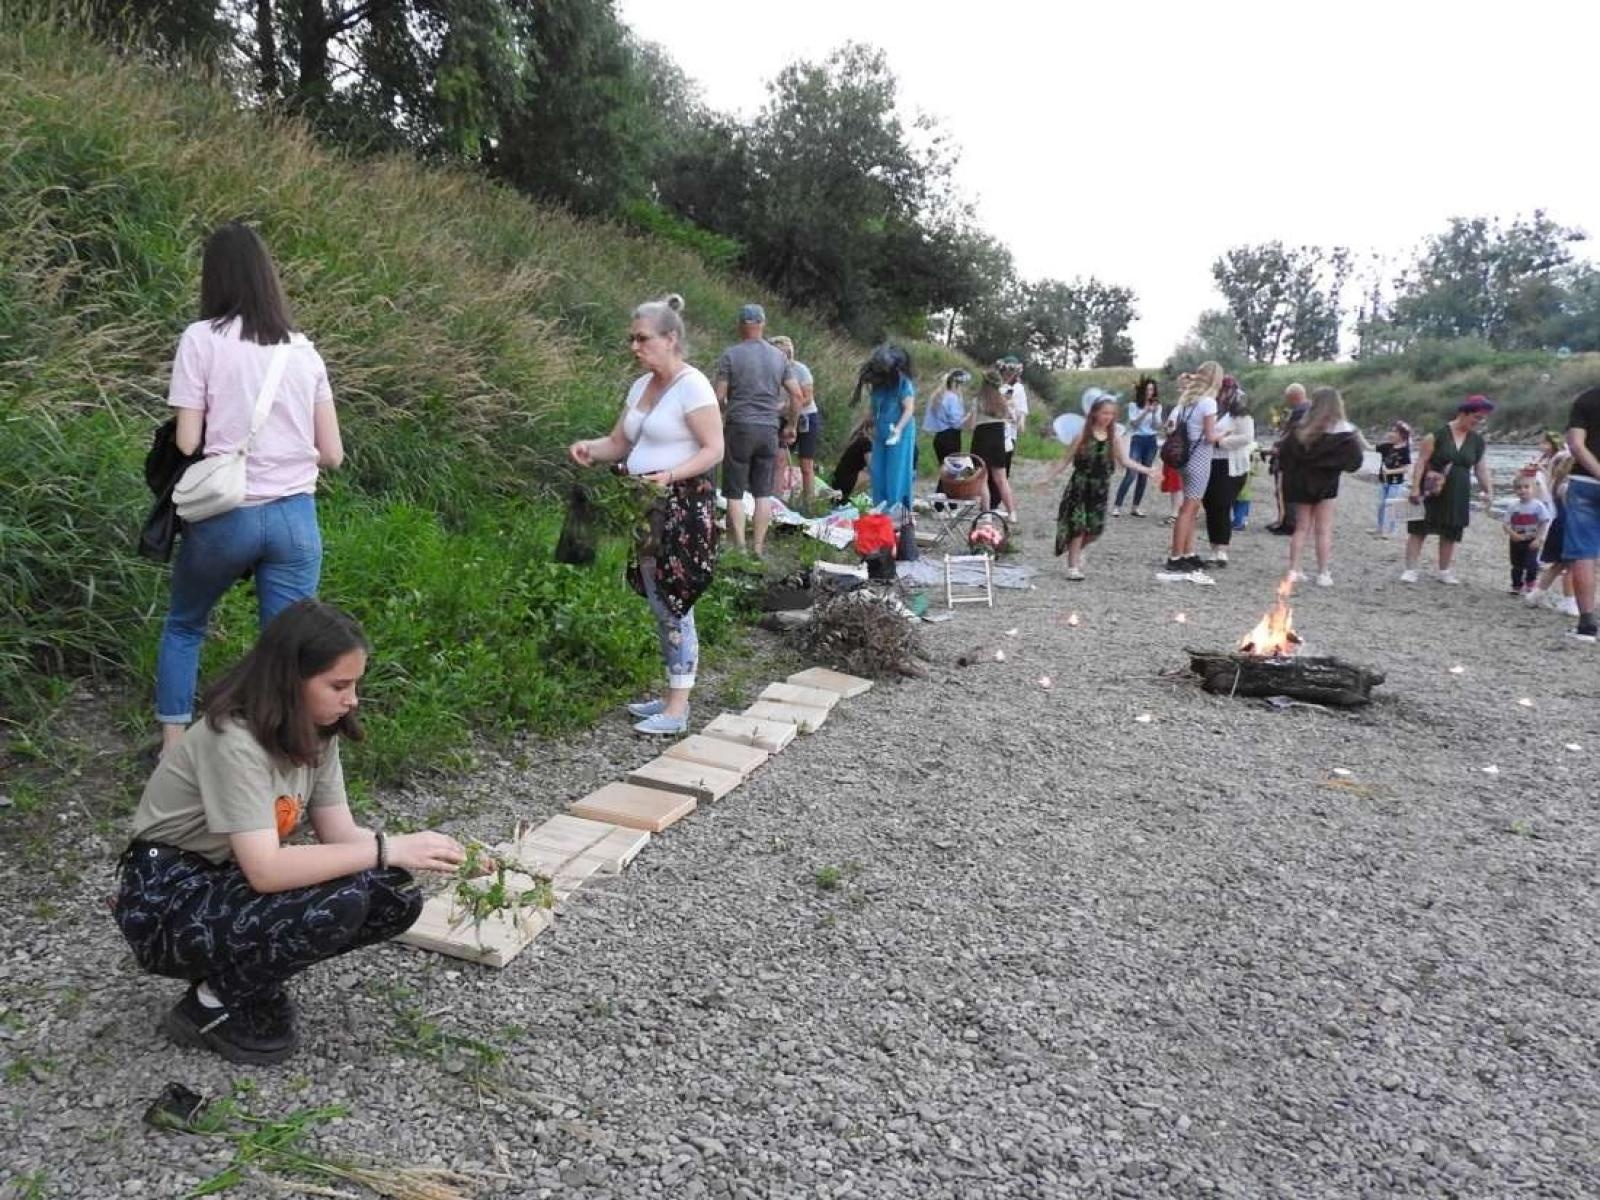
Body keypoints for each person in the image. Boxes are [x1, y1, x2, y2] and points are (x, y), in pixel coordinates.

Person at [115, 600, 466, 1065]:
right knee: (344, 897)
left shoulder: (317, 734)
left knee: (392, 895)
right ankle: (209, 1006)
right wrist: (389, 847)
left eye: (355, 684)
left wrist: (432, 854)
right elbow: (265, 871)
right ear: (289, 679)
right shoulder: (233, 740)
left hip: (222, 883)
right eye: (339, 685)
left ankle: (247, 981)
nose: (353, 699)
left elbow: (341, 834)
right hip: (165, 900)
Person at [155, 221, 345, 756]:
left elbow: (189, 441)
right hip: (294, 519)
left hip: (226, 514)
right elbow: (332, 453)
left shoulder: (201, 339)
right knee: (287, 647)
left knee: (186, 624)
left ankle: (174, 745)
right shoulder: (304, 352)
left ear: (213, 279)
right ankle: (281, 751)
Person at [569, 294, 724, 733]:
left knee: (676, 599)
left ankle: (678, 708)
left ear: (670, 339)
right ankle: (670, 692)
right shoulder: (641, 387)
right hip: (645, 507)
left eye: (642, 339)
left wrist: (670, 474)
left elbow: (715, 449)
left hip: (683, 506)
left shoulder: (693, 386)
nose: (634, 347)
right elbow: (621, 442)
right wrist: (590, 448)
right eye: (631, 339)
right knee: (659, 599)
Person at [712, 304, 804, 557]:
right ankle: (759, 548)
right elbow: (797, 394)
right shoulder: (779, 357)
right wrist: (791, 425)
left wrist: (721, 415)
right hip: (768, 429)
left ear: (741, 325)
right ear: (762, 324)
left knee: (734, 491)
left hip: (739, 427)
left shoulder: (731, 355)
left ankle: (739, 548)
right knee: (763, 492)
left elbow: (718, 397)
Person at [1041, 396, 1156, 579]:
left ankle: (1077, 551)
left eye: (1111, 414)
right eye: (1104, 413)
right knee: (1078, 525)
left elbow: (1125, 461)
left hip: (1101, 488)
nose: (1107, 417)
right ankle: (1073, 567)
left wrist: (1147, 470)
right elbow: (1065, 460)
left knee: (1095, 530)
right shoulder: (1082, 435)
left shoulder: (1114, 438)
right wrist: (1047, 478)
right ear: (1094, 413)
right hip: (1080, 486)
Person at [1276, 386, 1365, 587]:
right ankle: (1323, 573)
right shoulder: (1344, 431)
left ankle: (1294, 569)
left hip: (1300, 482)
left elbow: (1285, 456)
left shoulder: (1300, 428)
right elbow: (1354, 462)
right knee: (1323, 529)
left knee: (1301, 528)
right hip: (1327, 483)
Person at [1401, 396, 1495, 585]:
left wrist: (1489, 491)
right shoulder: (1436, 435)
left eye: (1482, 419)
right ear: (1463, 413)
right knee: (1419, 528)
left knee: (1451, 530)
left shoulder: (1477, 441)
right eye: (1476, 417)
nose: (1478, 422)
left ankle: (1444, 571)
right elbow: (1421, 462)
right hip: (1432, 488)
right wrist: (1415, 487)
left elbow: (1480, 468)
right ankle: (1411, 569)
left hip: (1459, 490)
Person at [1165, 361, 1222, 573]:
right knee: (1189, 509)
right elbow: (1210, 436)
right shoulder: (1209, 403)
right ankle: (1176, 555)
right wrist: (1224, 434)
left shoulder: (1186, 402)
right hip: (1200, 458)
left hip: (1184, 459)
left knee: (1191, 507)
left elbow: (1171, 427)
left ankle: (1188, 552)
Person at [854, 345, 916, 511]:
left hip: (900, 434)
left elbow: (909, 409)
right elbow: (875, 409)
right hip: (881, 433)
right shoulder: (878, 385)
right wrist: (864, 424)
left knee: (895, 473)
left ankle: (896, 509)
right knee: (878, 472)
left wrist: (898, 429)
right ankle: (880, 508)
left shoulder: (903, 384)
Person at [1201, 376, 1254, 567]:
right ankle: (1213, 546)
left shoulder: (1241, 414)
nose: (1224, 393)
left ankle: (1222, 548)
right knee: (1210, 504)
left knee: (1222, 504)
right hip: (1210, 461)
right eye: (1222, 390)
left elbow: (1247, 437)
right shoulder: (1209, 409)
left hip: (1230, 464)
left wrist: (1220, 442)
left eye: (1227, 390)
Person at [1562, 384, 1600, 641]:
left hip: (1586, 482)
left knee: (1583, 552)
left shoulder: (1586, 399)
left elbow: (1576, 445)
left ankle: (1586, 626)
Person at [771, 335, 819, 506]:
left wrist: (788, 405)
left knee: (806, 464)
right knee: (779, 459)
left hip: (805, 416)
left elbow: (807, 397)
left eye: (787, 353)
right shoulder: (770, 371)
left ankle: (809, 503)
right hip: (782, 417)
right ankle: (775, 501)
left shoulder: (801, 370)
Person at [967, 371, 1018, 517]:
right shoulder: (1003, 401)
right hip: (997, 439)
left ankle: (986, 513)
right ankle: (1012, 513)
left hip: (981, 438)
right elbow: (1013, 419)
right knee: (1001, 479)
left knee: (982, 479)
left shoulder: (978, 400)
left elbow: (971, 425)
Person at [1112, 377, 1162, 517]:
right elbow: (1134, 424)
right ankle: (1117, 505)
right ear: (1142, 391)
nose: (1149, 392)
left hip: (1151, 441)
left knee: (1144, 474)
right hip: (1137, 439)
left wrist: (1153, 414)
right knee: (1131, 473)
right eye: (1147, 389)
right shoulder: (1134, 405)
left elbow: (1156, 426)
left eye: (1152, 389)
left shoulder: (1158, 406)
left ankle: (1135, 506)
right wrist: (1146, 411)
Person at [1266, 383, 1310, 534]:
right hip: (1303, 456)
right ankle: (1289, 521)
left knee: (1286, 489)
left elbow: (1292, 434)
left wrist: (1278, 446)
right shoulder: (1311, 409)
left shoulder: (1299, 411)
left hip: (1292, 456)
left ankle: (1289, 523)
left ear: (1293, 396)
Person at [1501, 474, 1552, 595]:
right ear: (1515, 490)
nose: (1522, 490)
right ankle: (1517, 585)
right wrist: (1512, 534)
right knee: (1516, 564)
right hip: (1516, 540)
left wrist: (1539, 539)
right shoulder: (1513, 506)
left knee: (1531, 563)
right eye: (1519, 488)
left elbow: (1544, 522)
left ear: (1533, 489)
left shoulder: (1538, 506)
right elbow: (1505, 524)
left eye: (1526, 487)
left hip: (1532, 539)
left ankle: (1530, 583)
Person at [1372, 421, 1413, 537]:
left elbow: (1406, 468)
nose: (1391, 433)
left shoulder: (1405, 450)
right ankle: (1380, 528)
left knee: (1391, 505)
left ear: (1401, 435)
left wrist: (1390, 471)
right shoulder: (1387, 446)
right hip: (1384, 481)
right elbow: (1370, 447)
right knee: (1381, 504)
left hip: (1396, 483)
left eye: (1394, 431)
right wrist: (1357, 436)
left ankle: (1390, 531)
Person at [925, 369, 971, 465]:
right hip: (950, 439)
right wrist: (970, 416)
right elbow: (956, 423)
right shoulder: (952, 398)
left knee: (944, 472)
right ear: (956, 384)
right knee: (952, 475)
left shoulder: (939, 396)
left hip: (940, 438)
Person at [999, 357, 1029, 482]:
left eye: (1012, 370)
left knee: (1003, 469)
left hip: (1009, 432)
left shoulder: (1019, 388)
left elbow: (1022, 410)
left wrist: (1021, 421)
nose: (1009, 373)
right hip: (995, 429)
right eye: (1007, 370)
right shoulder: (997, 385)